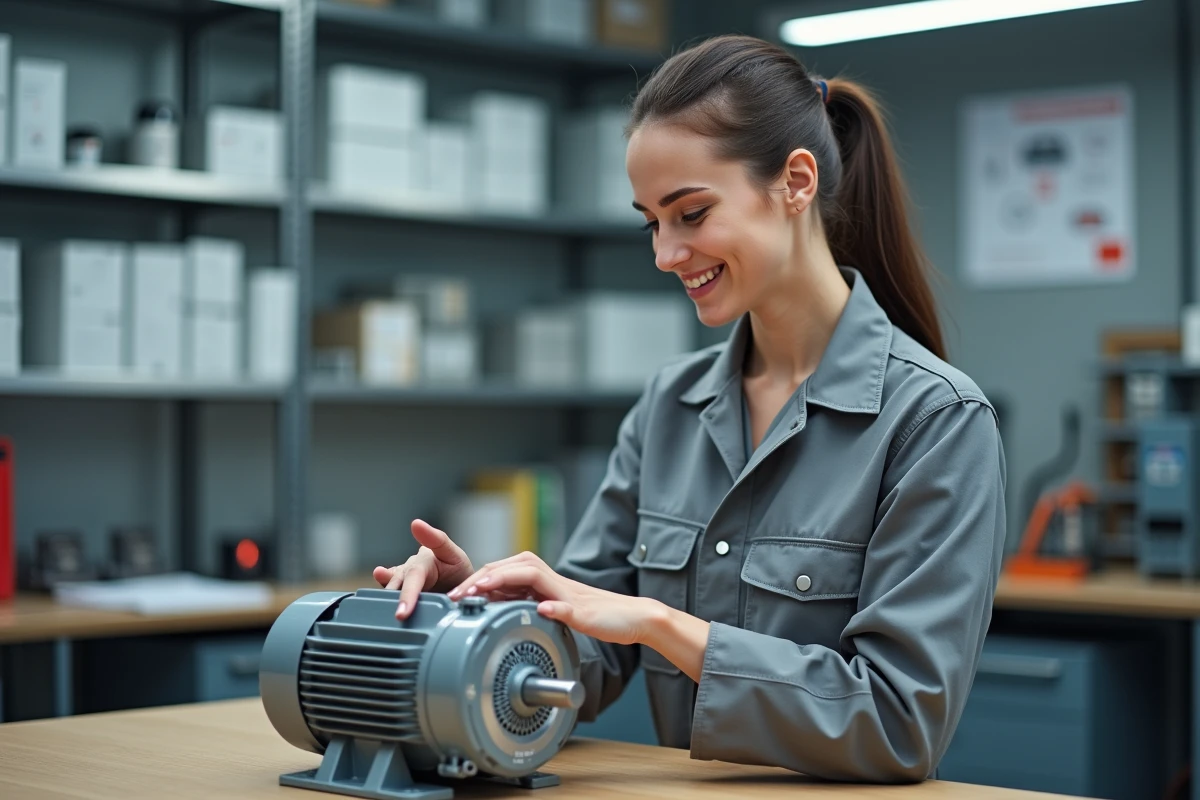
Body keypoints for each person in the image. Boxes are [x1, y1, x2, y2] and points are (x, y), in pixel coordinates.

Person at [373, 33, 1006, 783]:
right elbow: (585, 652)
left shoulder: (936, 422)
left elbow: (900, 722)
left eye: (692, 213)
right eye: (652, 221)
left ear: (795, 182)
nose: (665, 254)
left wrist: (662, 624)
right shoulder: (670, 406)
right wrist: (479, 615)